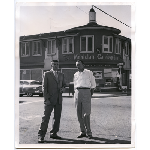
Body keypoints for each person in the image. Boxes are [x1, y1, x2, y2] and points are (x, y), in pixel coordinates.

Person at [38, 60, 66, 143]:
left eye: (57, 64)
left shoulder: (61, 74)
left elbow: (64, 85)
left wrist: (63, 88)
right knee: (45, 118)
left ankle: (54, 133)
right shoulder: (47, 74)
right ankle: (41, 135)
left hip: (58, 100)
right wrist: (46, 99)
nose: (56, 65)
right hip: (49, 100)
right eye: (54, 64)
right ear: (51, 65)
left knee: (57, 118)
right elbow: (44, 87)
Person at [74, 60, 96, 139]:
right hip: (77, 92)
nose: (77, 66)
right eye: (76, 65)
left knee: (87, 113)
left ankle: (89, 132)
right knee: (79, 113)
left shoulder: (89, 72)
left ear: (83, 65)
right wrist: (76, 93)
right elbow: (75, 84)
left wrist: (89, 94)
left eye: (79, 65)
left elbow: (93, 85)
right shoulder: (76, 74)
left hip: (86, 91)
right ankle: (82, 131)